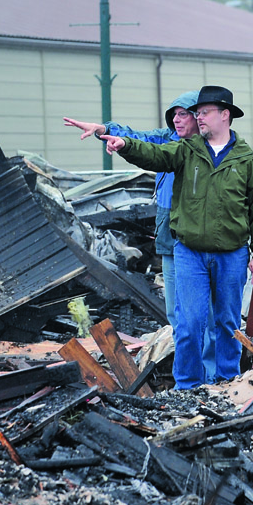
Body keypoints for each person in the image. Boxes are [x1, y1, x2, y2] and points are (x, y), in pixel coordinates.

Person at [101, 85, 253, 389]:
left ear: (225, 115)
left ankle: (227, 382)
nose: (199, 118)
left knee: (227, 324)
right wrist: (124, 145)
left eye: (204, 112)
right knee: (190, 324)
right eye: (197, 113)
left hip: (232, 254)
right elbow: (154, 154)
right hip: (190, 252)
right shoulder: (187, 151)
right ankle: (188, 386)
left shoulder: (246, 160)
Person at [62, 90, 200, 331]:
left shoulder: (210, 150)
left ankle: (210, 359)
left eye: (183, 114)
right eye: (174, 115)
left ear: (199, 117)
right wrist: (103, 130)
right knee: (175, 305)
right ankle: (186, 358)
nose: (176, 120)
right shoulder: (166, 139)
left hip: (197, 231)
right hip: (169, 228)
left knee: (198, 304)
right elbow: (137, 137)